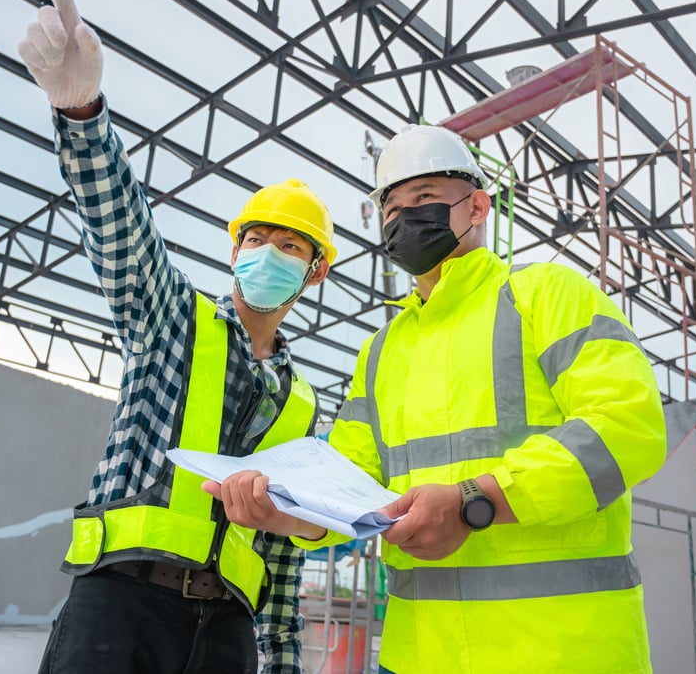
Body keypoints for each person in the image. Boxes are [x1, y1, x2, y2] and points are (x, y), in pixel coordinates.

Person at [205, 124, 668, 672]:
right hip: (416, 654)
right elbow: (349, 480)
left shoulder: (547, 295)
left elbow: (627, 427)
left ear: (477, 207)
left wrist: (477, 501)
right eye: (392, 206)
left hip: (561, 649)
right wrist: (293, 516)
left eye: (424, 198)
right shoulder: (381, 351)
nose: (404, 217)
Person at [19, 0, 337, 674]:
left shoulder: (304, 402)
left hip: (228, 627)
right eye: (256, 240)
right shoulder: (173, 318)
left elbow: (282, 558)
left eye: (289, 247)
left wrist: (280, 661)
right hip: (121, 603)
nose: (268, 254)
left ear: (315, 271)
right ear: (234, 250)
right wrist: (82, 113)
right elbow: (122, 230)